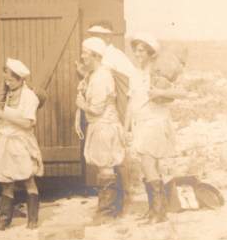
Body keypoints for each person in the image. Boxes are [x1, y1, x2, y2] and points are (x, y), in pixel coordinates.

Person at [124, 33, 187, 224]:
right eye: (136, 50)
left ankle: (158, 212)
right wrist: (126, 128)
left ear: (151, 53)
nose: (137, 54)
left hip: (155, 122)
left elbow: (182, 92)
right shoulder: (135, 73)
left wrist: (161, 91)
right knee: (149, 166)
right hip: (140, 123)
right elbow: (131, 103)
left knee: (148, 164)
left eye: (142, 50)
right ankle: (155, 209)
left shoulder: (159, 72)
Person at [82, 23, 136, 214]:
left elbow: (128, 85)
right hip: (108, 116)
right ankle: (116, 204)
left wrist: (82, 104)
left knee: (110, 163)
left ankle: (113, 206)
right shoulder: (100, 66)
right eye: (93, 34)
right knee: (113, 161)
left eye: (99, 35)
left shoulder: (112, 60)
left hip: (109, 118)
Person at [75, 37, 126, 225]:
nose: (82, 56)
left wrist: (82, 104)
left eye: (85, 53)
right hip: (103, 125)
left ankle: (106, 213)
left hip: (104, 127)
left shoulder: (101, 77)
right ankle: (111, 209)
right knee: (106, 166)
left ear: (96, 56)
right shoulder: (97, 74)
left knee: (106, 167)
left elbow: (96, 109)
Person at [0, 58, 43, 230]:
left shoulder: (29, 97)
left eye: (11, 80)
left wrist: (3, 114)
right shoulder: (8, 93)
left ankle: (32, 220)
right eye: (6, 80)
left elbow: (28, 123)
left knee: (28, 178)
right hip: (5, 139)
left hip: (20, 141)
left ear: (20, 79)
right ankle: (4, 220)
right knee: (6, 180)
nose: (7, 83)